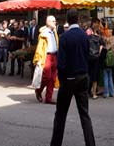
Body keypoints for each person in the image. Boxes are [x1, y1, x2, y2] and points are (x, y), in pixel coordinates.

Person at [51, 8, 96, 146]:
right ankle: (91, 143)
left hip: (69, 79)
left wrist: (63, 79)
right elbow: (88, 56)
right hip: (83, 77)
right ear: (78, 19)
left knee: (60, 115)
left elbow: (61, 63)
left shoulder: (64, 37)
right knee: (84, 114)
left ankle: (56, 143)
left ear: (67, 20)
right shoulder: (84, 36)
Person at [33, 15, 59, 104]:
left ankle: (48, 98)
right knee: (46, 77)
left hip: (54, 56)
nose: (55, 22)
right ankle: (38, 90)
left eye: (55, 21)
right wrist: (38, 59)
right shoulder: (43, 33)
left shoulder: (54, 32)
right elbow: (40, 47)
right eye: (53, 21)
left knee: (52, 78)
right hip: (46, 56)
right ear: (48, 22)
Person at [88, 18, 104, 99]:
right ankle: (92, 92)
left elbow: (102, 44)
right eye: (97, 23)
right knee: (92, 75)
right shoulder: (90, 32)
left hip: (93, 57)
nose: (98, 25)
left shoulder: (96, 33)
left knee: (94, 76)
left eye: (98, 23)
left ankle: (93, 92)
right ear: (93, 23)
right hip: (91, 57)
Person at [103, 28, 114, 98]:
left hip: (106, 63)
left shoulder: (105, 44)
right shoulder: (113, 44)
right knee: (110, 77)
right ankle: (112, 93)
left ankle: (106, 93)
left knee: (106, 77)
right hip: (111, 63)